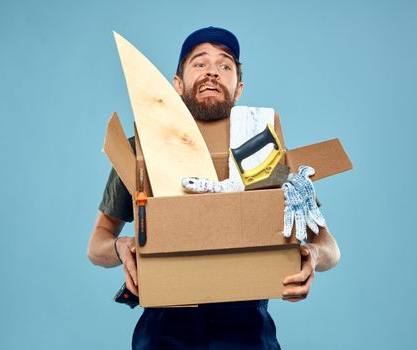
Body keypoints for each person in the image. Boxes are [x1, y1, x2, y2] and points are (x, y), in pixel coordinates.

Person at [87, 26, 340, 350]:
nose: (212, 73)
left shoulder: (267, 153)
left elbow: (329, 246)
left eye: (225, 65)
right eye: (199, 63)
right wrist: (122, 247)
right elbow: (97, 244)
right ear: (177, 84)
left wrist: (312, 256)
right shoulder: (143, 150)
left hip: (248, 329)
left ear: (239, 87)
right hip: (164, 330)